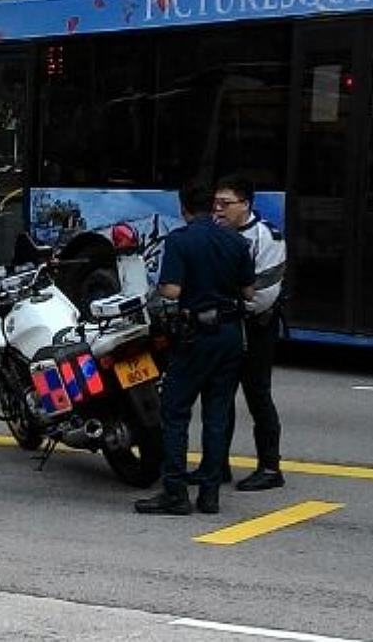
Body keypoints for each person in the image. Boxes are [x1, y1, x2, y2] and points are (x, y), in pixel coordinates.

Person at [135, 180, 254, 516]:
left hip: (195, 336)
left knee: (175, 412)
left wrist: (161, 285)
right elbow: (248, 292)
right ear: (212, 206)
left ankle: (175, 492)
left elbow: (172, 291)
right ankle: (210, 494)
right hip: (231, 335)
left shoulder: (180, 239)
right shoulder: (236, 240)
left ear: (184, 208)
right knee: (217, 416)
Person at [186, 174, 287, 492]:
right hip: (225, 325)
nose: (218, 210)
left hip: (255, 327)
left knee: (257, 393)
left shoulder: (267, 236)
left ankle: (270, 468)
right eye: (215, 203)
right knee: (218, 396)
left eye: (225, 204)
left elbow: (264, 293)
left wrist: (226, 303)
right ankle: (215, 465)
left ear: (245, 204)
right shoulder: (215, 233)